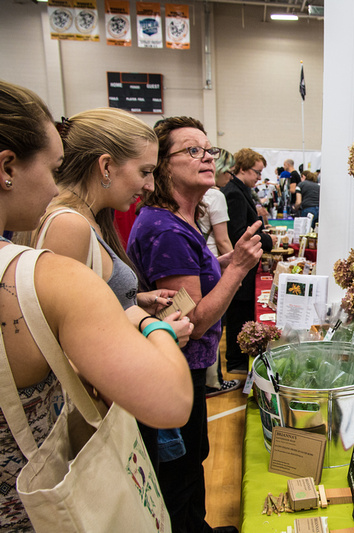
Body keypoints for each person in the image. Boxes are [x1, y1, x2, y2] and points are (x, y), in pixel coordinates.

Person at [0, 80, 193, 532]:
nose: (54, 185)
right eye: (52, 168)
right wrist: (152, 326)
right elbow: (170, 399)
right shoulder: (53, 255)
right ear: (7, 167)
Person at [31, 107, 195, 465]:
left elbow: (89, 303)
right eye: (145, 172)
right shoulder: (70, 226)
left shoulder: (88, 219)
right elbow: (67, 339)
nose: (149, 185)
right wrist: (157, 332)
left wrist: (135, 300)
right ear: (105, 167)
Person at [127, 116, 263, 533]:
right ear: (163, 165)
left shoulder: (180, 220)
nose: (206, 157)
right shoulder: (166, 229)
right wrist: (238, 268)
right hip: (173, 372)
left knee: (190, 458)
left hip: (181, 371)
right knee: (179, 469)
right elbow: (191, 321)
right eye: (192, 150)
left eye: (208, 149)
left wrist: (220, 262)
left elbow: (188, 287)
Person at [220, 148, 277, 375]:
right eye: (257, 172)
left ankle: (239, 360)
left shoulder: (241, 190)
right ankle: (236, 363)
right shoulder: (234, 193)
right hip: (240, 264)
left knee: (242, 311)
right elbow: (238, 234)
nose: (259, 178)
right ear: (242, 168)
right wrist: (267, 240)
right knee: (238, 312)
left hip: (245, 264)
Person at [198, 148, 241, 397]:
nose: (230, 177)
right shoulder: (216, 196)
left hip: (201, 262)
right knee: (214, 324)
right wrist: (236, 272)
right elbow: (223, 241)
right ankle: (212, 381)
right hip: (214, 263)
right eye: (230, 171)